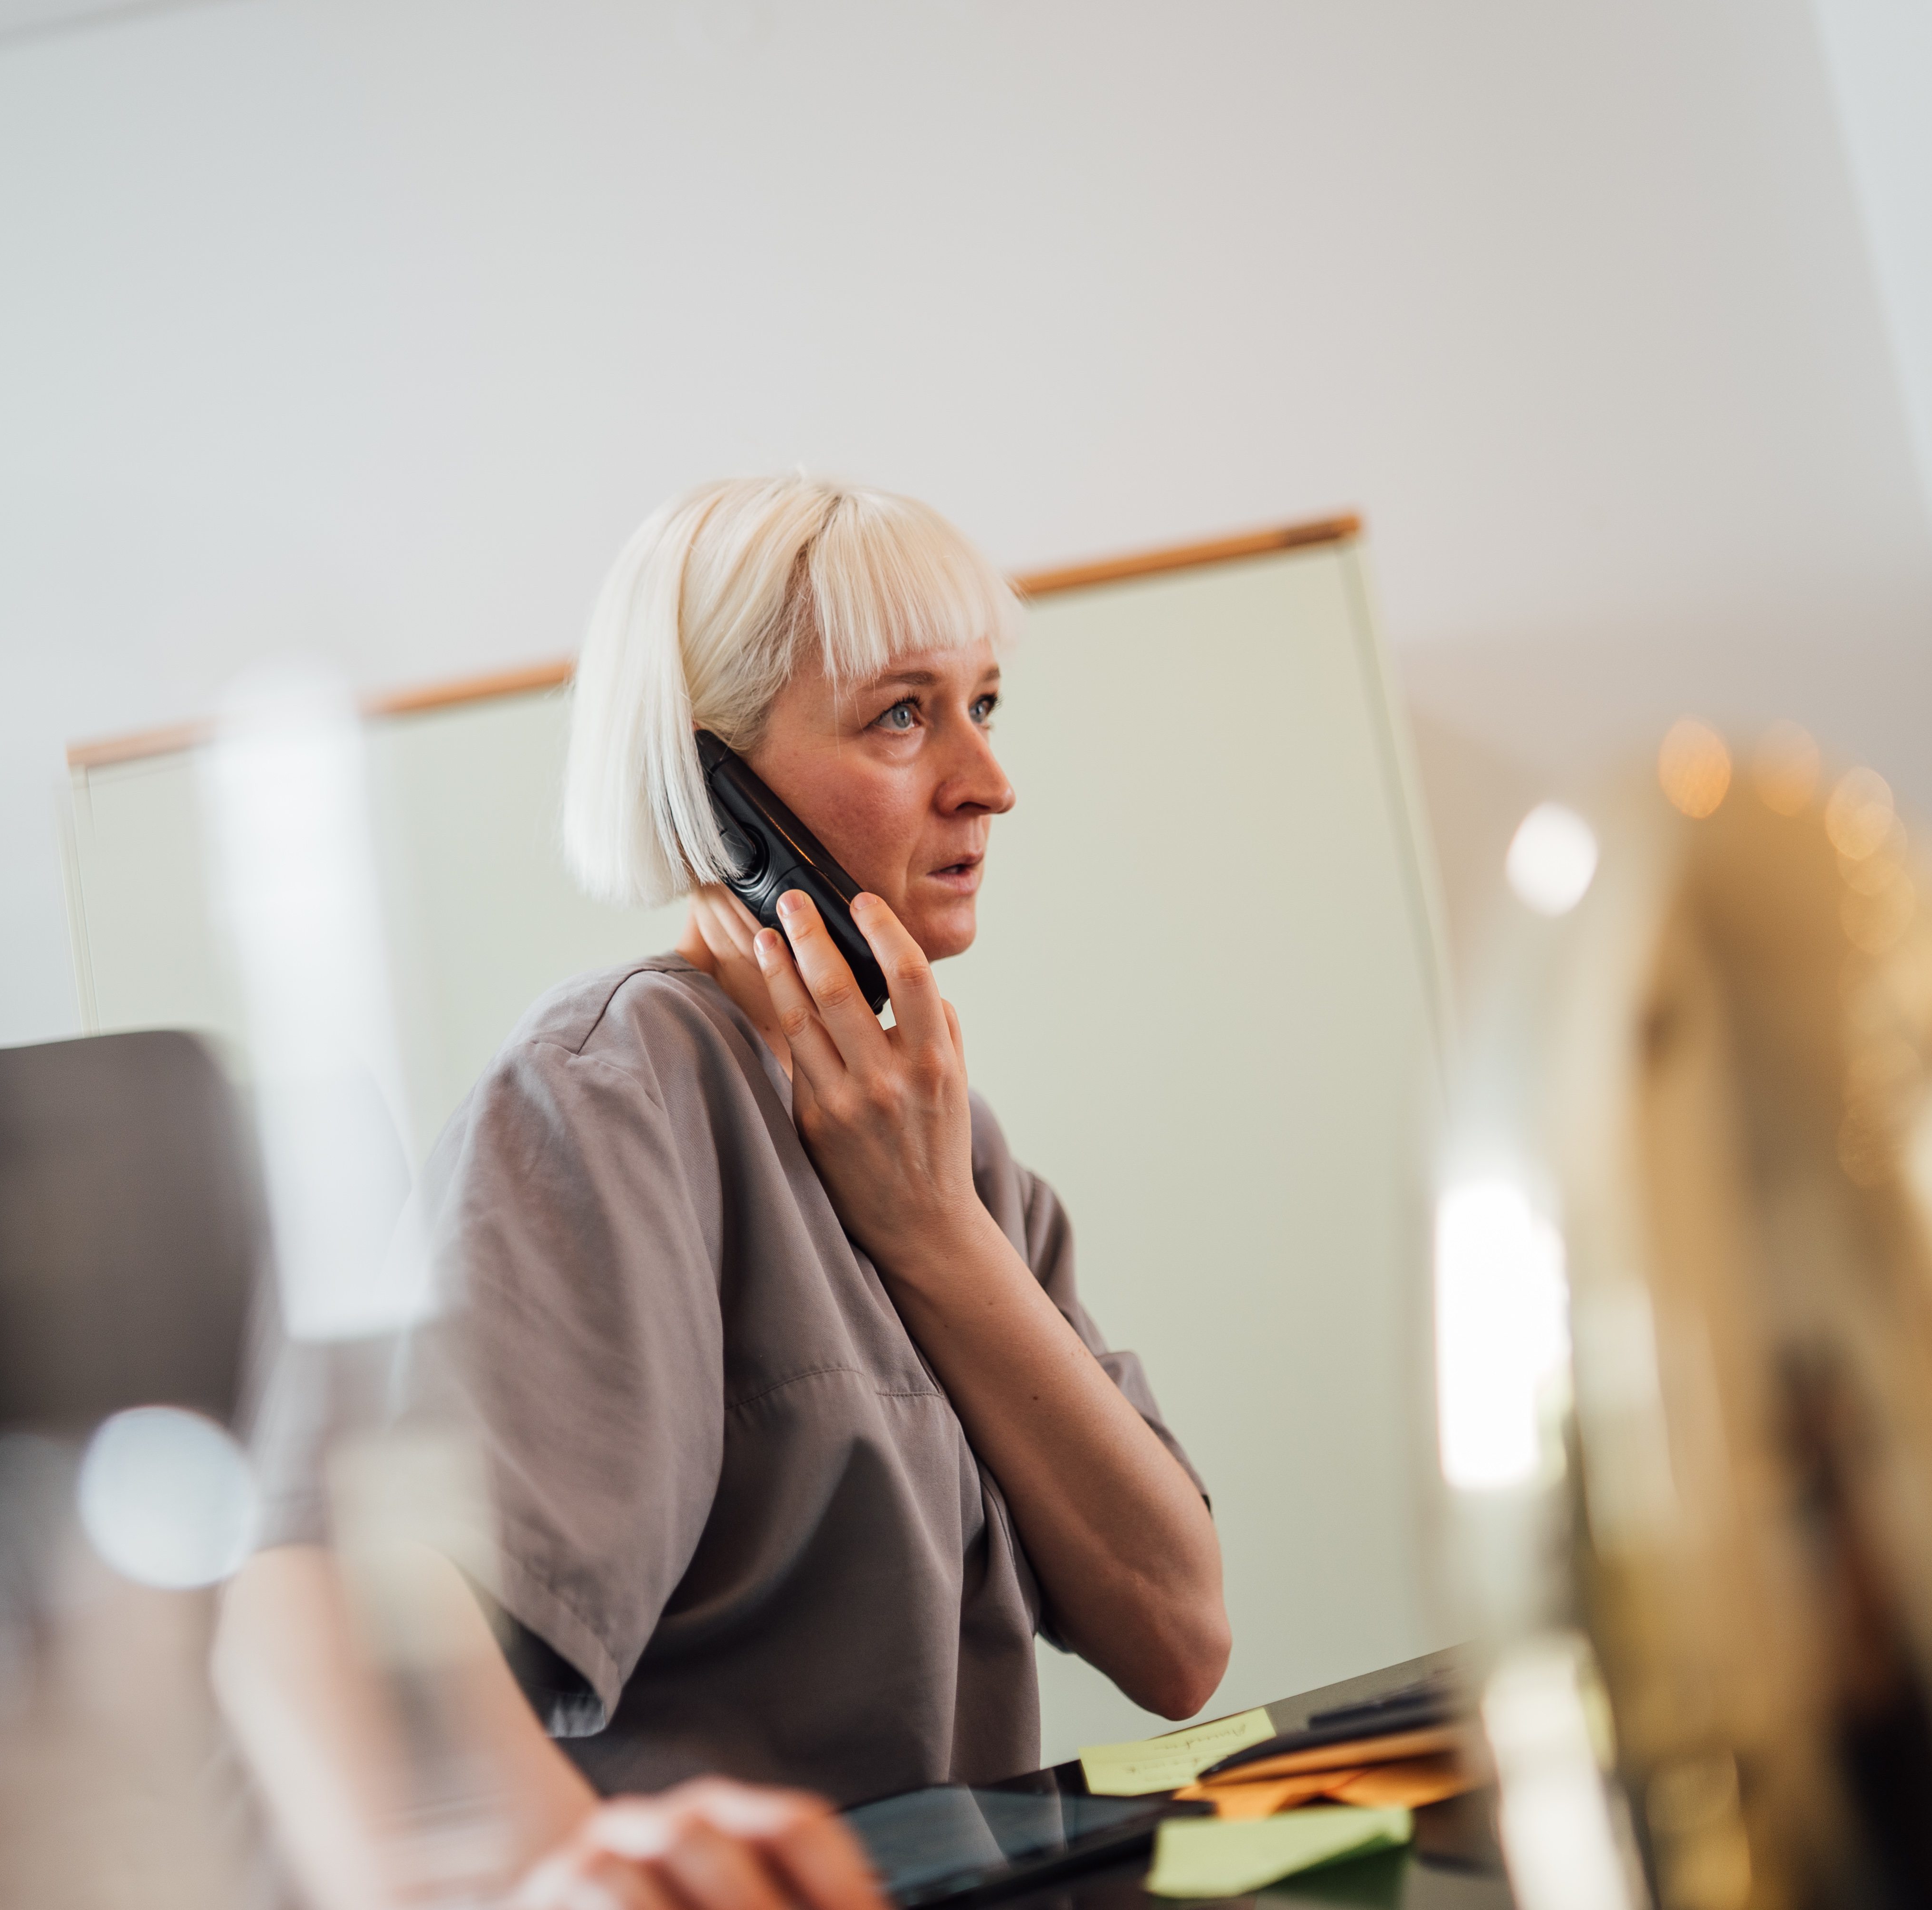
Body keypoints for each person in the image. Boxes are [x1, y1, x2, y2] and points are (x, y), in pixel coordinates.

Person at [215, 475, 1229, 1910]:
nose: (986, 782)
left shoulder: (954, 1144)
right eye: (901, 714)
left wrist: (933, 1230)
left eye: (983, 707)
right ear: (720, 792)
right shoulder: (611, 1092)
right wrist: (560, 1879)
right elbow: (311, 1603)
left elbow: (1180, 1635)